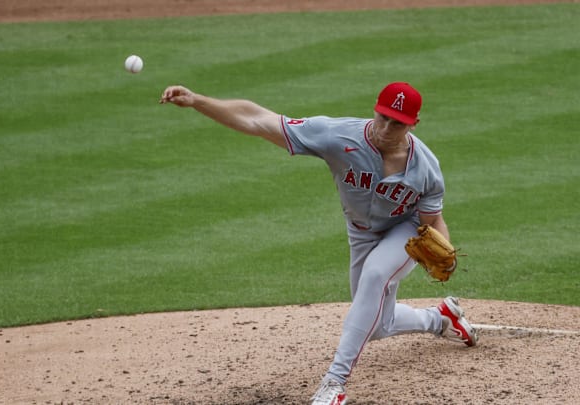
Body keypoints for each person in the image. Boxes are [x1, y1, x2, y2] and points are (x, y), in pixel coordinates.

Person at [160, 82, 478, 405]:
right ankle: (441, 318)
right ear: (375, 109)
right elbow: (260, 120)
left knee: (375, 275)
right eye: (383, 117)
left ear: (413, 124)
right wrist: (198, 100)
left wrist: (445, 249)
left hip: (403, 230)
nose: (386, 127)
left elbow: (431, 223)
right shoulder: (338, 136)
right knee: (377, 324)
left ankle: (334, 383)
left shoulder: (426, 168)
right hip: (361, 233)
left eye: (397, 122)